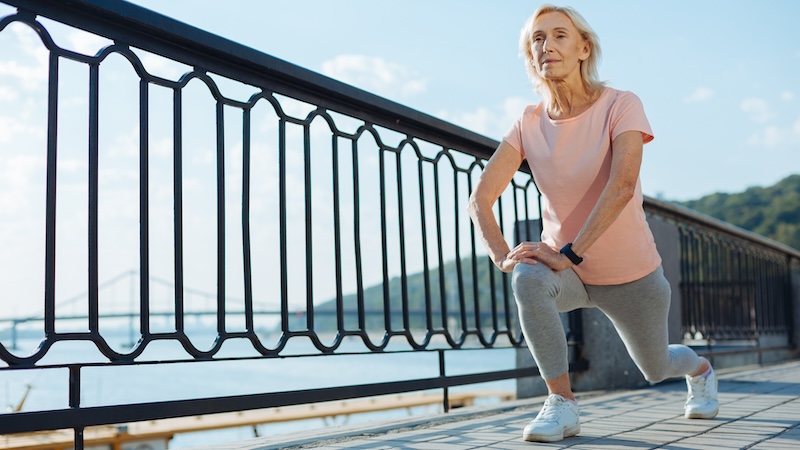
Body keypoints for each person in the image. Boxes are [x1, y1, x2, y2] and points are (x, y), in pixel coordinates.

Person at [467, 4, 719, 443]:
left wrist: (569, 253)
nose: (546, 46)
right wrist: (504, 256)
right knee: (528, 276)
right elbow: (480, 198)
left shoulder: (621, 105)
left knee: (656, 367)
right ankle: (562, 404)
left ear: (584, 47)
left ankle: (700, 370)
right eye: (537, 39)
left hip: (630, 274)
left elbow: (621, 187)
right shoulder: (527, 122)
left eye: (559, 35)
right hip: (568, 271)